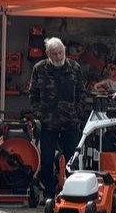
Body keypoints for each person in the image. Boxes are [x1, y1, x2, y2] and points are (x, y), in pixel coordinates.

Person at [28, 37, 86, 196]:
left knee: (71, 160)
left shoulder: (75, 68)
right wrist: (39, 113)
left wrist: (78, 112)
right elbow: (33, 94)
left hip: (70, 123)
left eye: (61, 52)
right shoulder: (39, 69)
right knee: (46, 160)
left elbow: (82, 92)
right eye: (54, 53)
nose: (58, 56)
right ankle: (48, 192)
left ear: (65, 51)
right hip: (48, 124)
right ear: (48, 54)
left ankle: (72, 192)